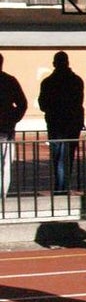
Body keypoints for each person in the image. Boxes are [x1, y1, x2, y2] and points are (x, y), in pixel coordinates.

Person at [37, 51, 85, 194]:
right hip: (71, 122)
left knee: (58, 156)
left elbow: (42, 104)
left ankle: (60, 186)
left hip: (55, 122)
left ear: (54, 64)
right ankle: (63, 185)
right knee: (68, 156)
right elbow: (78, 102)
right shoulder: (76, 80)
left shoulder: (47, 82)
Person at [0, 54, 28, 198]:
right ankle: (2, 197)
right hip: (6, 129)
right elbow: (22, 104)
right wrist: (13, 119)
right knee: (5, 167)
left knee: (4, 166)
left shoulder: (9, 81)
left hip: (6, 129)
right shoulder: (10, 81)